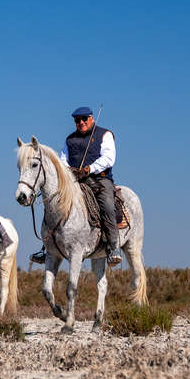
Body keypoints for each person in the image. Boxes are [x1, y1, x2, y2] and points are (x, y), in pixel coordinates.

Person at [60, 106, 122, 266]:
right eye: (77, 120)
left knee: (107, 205)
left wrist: (89, 169)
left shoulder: (105, 135)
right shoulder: (70, 140)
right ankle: (48, 247)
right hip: (75, 180)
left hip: (99, 180)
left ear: (92, 119)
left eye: (84, 119)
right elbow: (62, 160)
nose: (81, 122)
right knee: (56, 204)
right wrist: (67, 171)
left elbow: (109, 158)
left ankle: (113, 245)